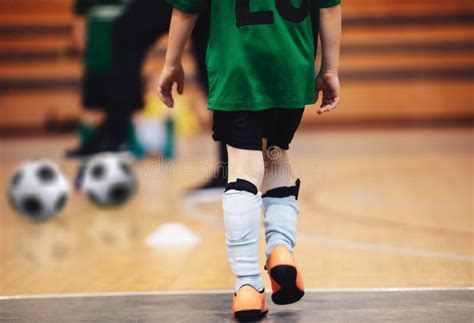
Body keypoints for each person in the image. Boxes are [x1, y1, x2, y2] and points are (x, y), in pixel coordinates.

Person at [158, 0, 341, 320]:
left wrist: (171, 62)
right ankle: (281, 249)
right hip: (292, 65)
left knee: (244, 168)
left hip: (237, 66)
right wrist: (330, 69)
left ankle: (247, 286)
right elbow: (329, 8)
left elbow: (185, 9)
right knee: (276, 153)